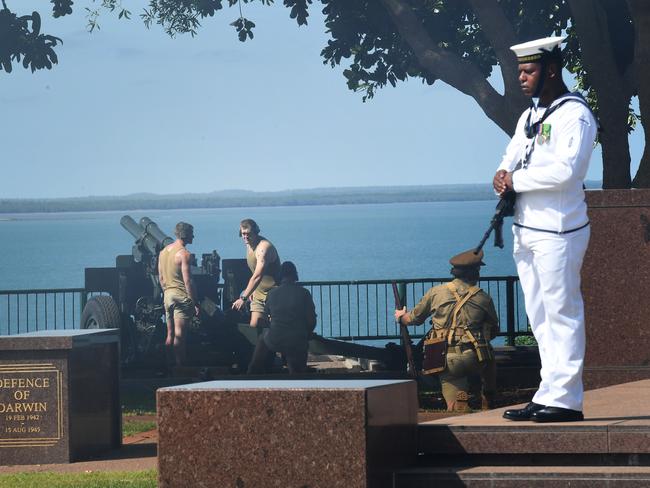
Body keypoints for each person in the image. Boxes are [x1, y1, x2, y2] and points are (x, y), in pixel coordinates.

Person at [494, 36, 598, 423]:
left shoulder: (576, 115)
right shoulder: (531, 115)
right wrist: (502, 175)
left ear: (550, 70)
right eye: (520, 70)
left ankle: (567, 400)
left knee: (562, 313)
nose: (521, 77)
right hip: (527, 229)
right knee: (539, 315)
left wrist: (516, 181)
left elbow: (568, 171)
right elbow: (511, 155)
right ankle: (548, 392)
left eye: (528, 70)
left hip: (559, 231)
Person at [395, 249, 498, 412]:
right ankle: (488, 397)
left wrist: (401, 316)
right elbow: (494, 329)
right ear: (475, 273)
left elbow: (413, 319)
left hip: (447, 357)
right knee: (488, 363)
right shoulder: (483, 298)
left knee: (456, 403)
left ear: (454, 272)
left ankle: (460, 402)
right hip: (477, 356)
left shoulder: (436, 292)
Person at [247, 261, 317, 374]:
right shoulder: (304, 293)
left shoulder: (272, 293)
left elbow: (263, 320)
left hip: (276, 338)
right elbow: (311, 320)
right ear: (295, 275)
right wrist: (307, 333)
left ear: (280, 276)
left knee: (262, 339)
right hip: (297, 338)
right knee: (296, 369)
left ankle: (252, 370)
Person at [158, 222, 199, 366]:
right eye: (191, 233)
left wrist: (167, 292)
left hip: (168, 295)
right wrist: (194, 302)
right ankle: (180, 366)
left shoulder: (163, 253)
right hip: (181, 296)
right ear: (186, 235)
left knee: (170, 335)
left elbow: (161, 279)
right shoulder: (184, 254)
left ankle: (169, 364)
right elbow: (188, 281)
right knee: (180, 336)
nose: (193, 236)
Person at [231, 219, 281, 328]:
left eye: (248, 234)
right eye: (243, 234)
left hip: (274, 294)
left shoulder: (263, 248)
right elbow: (254, 271)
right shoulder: (249, 245)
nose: (245, 237)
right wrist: (252, 291)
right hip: (258, 295)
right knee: (254, 329)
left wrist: (243, 298)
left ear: (256, 232)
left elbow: (258, 275)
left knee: (275, 330)